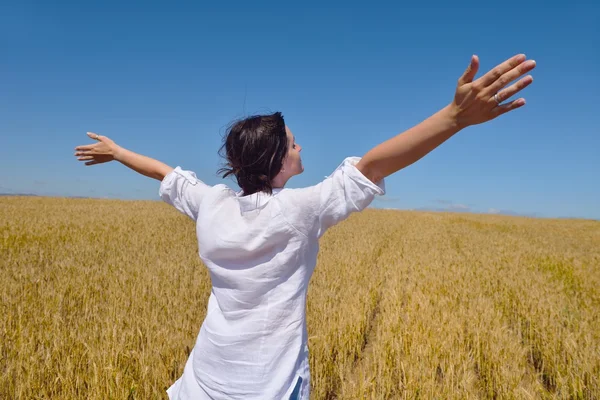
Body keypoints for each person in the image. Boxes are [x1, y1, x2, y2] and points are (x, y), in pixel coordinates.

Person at [74, 54, 535, 400]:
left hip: (206, 377)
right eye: (294, 143)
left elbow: (163, 173)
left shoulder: (211, 204)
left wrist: (117, 152)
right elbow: (374, 165)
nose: (300, 146)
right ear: (278, 161)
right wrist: (454, 118)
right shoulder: (300, 210)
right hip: (269, 385)